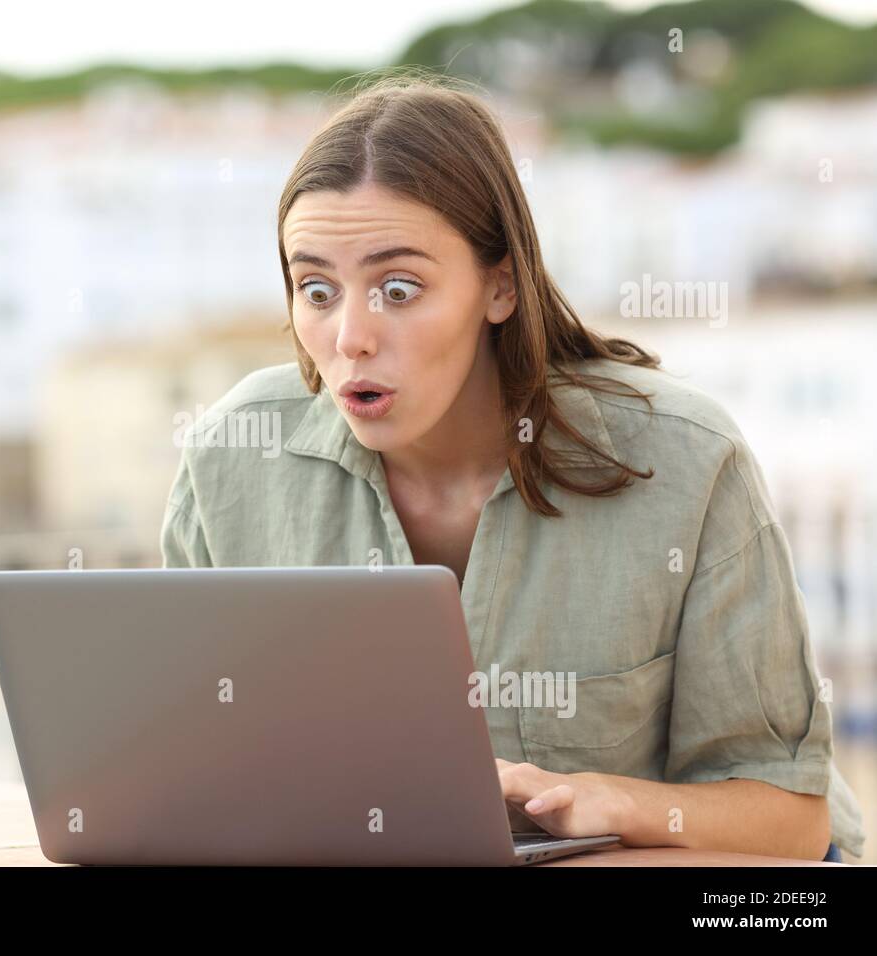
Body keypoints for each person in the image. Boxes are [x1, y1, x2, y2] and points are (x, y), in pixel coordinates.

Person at [160, 72, 864, 862]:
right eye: (316, 289)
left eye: (399, 288)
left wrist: (621, 804)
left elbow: (793, 821)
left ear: (499, 286)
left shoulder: (687, 460)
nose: (350, 335)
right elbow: (196, 771)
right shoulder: (232, 459)